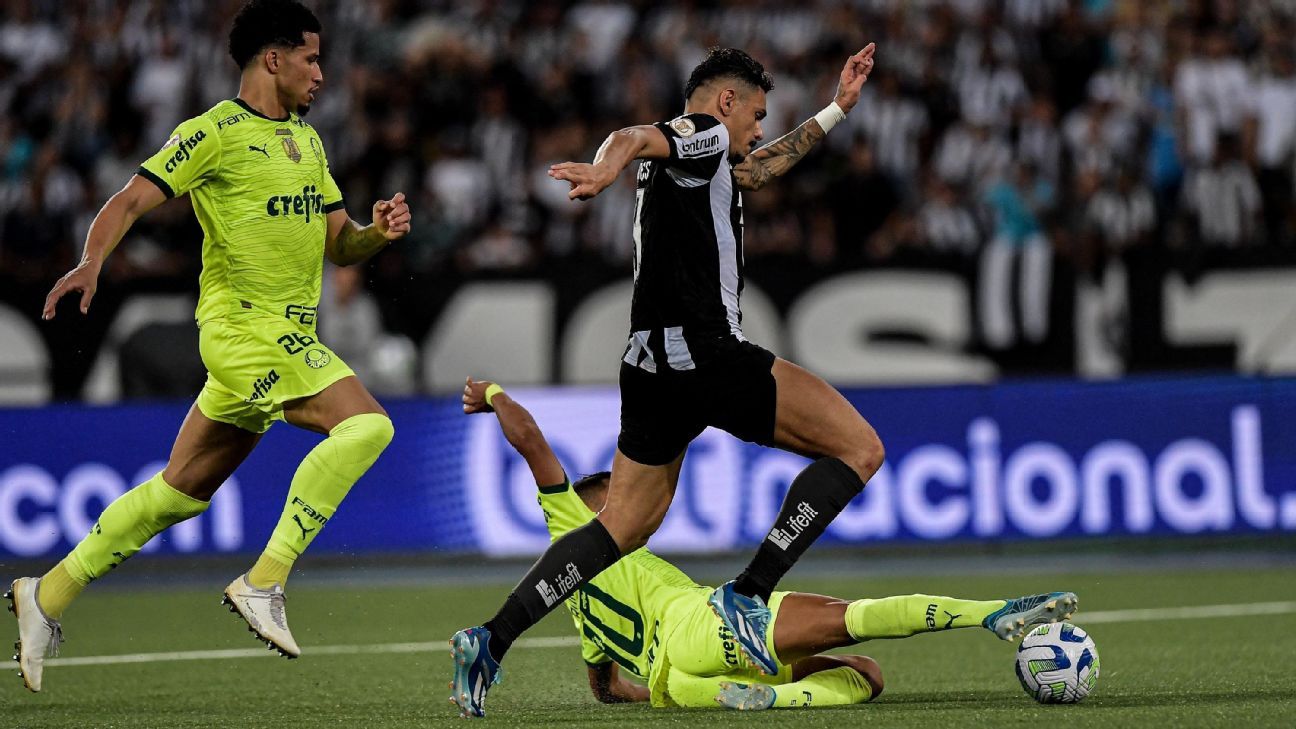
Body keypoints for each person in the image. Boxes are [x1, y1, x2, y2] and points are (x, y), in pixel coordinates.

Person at [450, 44, 887, 719]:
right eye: (757, 114)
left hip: (648, 366)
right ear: (725, 102)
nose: (758, 130)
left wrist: (835, 109)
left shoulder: (707, 160)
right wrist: (604, 166)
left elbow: (758, 171)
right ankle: (750, 591)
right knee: (859, 449)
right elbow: (634, 135)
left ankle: (491, 637)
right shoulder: (702, 131)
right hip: (705, 351)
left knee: (619, 526)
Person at [6, 0, 410, 693]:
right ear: (272, 59)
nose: (321, 73)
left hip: (278, 339)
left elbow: (339, 243)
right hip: (244, 330)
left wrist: (376, 232)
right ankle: (265, 579)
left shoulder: (309, 143)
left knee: (179, 492)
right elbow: (132, 198)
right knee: (369, 424)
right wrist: (92, 258)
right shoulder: (214, 133)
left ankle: (46, 594)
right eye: (311, 58)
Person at [451, 378, 1077, 713]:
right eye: (613, 492)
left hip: (682, 685)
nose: (628, 500)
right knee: (850, 626)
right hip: (703, 624)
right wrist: (495, 393)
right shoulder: (574, 525)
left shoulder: (579, 606)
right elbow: (530, 439)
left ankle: (765, 698)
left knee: (866, 675)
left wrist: (658, 689)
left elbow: (604, 688)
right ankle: (988, 613)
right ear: (592, 501)